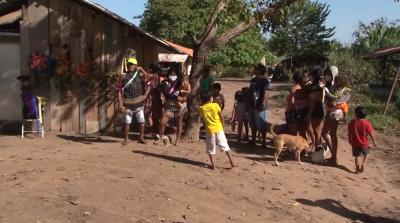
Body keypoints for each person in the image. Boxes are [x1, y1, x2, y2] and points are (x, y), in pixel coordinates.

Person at [199, 92, 236, 170]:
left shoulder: (201, 108)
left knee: (210, 148)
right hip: (219, 129)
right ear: (210, 98)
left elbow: (203, 119)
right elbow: (221, 117)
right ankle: (232, 163)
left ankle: (213, 165)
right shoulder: (215, 105)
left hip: (210, 130)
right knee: (225, 146)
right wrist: (223, 126)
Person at [322, 68, 352, 165]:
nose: (337, 81)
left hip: (336, 113)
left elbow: (336, 102)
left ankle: (334, 157)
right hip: (331, 112)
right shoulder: (335, 88)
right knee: (325, 132)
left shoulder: (345, 91)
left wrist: (330, 99)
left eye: (339, 80)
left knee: (331, 134)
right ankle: (333, 156)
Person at [117, 57, 149, 145]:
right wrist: (120, 105)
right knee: (127, 122)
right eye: (129, 64)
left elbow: (148, 78)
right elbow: (119, 91)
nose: (130, 66)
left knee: (142, 122)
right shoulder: (123, 76)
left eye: (132, 64)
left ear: (135, 65)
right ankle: (126, 139)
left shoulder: (139, 75)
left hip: (139, 103)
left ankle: (141, 137)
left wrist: (141, 69)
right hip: (128, 103)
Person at [155, 66, 186, 146]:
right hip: (170, 105)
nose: (173, 75)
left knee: (179, 123)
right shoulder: (165, 83)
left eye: (174, 74)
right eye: (171, 74)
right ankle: (161, 138)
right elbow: (167, 94)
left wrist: (183, 98)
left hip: (180, 105)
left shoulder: (180, 82)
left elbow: (184, 93)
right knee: (163, 122)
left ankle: (178, 140)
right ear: (168, 74)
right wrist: (178, 97)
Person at [348, 106, 377, 173]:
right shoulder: (367, 123)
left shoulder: (352, 122)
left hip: (355, 143)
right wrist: (374, 141)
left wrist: (350, 139)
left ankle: (357, 169)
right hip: (364, 143)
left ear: (356, 114)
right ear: (365, 115)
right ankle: (363, 163)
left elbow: (349, 132)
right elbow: (371, 133)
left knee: (357, 156)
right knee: (366, 153)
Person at [248, 64, 270, 147]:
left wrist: (263, 104)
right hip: (252, 105)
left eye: (255, 69)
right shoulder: (253, 80)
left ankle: (263, 142)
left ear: (260, 70)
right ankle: (253, 140)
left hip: (260, 106)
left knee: (262, 124)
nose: (254, 70)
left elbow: (266, 94)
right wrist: (248, 103)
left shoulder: (265, 81)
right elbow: (250, 92)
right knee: (253, 124)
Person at [285, 70, 309, 138]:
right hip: (304, 112)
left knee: (293, 133)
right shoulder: (306, 88)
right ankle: (305, 146)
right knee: (303, 132)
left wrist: (287, 112)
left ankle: (294, 147)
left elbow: (292, 103)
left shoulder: (294, 88)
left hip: (294, 112)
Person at [307, 68, 325, 151]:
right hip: (317, 109)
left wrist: (309, 113)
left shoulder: (317, 87)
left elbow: (314, 101)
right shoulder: (314, 85)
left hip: (317, 110)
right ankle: (317, 147)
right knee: (314, 130)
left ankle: (318, 148)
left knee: (316, 131)